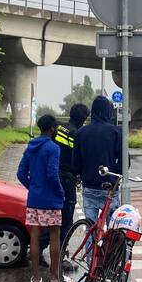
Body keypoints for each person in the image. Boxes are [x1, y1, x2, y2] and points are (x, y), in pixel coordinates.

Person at [17, 114, 65, 282]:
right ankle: (53, 277)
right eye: (56, 128)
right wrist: (60, 191)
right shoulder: (53, 148)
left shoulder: (30, 147)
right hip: (51, 199)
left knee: (35, 236)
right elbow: (52, 174)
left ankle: (36, 277)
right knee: (54, 236)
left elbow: (21, 173)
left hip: (35, 199)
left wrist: (33, 187)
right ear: (52, 129)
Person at [39, 103, 90, 256]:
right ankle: (61, 256)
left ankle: (38, 249)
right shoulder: (77, 134)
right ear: (83, 119)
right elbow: (80, 158)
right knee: (66, 220)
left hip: (51, 176)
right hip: (67, 179)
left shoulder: (59, 128)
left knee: (52, 218)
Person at [72, 95, 122, 224]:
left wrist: (81, 174)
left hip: (89, 186)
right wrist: (116, 176)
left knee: (91, 226)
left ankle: (91, 237)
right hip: (110, 187)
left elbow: (75, 164)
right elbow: (124, 162)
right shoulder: (116, 132)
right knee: (113, 228)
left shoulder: (81, 133)